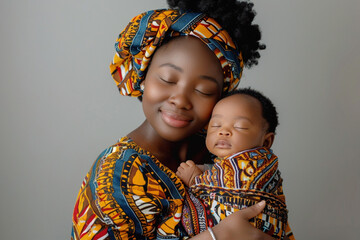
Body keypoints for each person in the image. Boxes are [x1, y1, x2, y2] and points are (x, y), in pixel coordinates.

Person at [72, 1, 274, 239]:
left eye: (204, 90)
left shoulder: (226, 148)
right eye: (168, 79)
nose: (180, 100)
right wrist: (216, 236)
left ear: (221, 98)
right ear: (143, 76)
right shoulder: (113, 179)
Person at [176, 88, 295, 239]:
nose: (223, 131)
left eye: (240, 126)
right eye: (216, 125)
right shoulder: (222, 166)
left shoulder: (255, 164)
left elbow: (235, 189)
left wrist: (194, 179)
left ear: (266, 141)